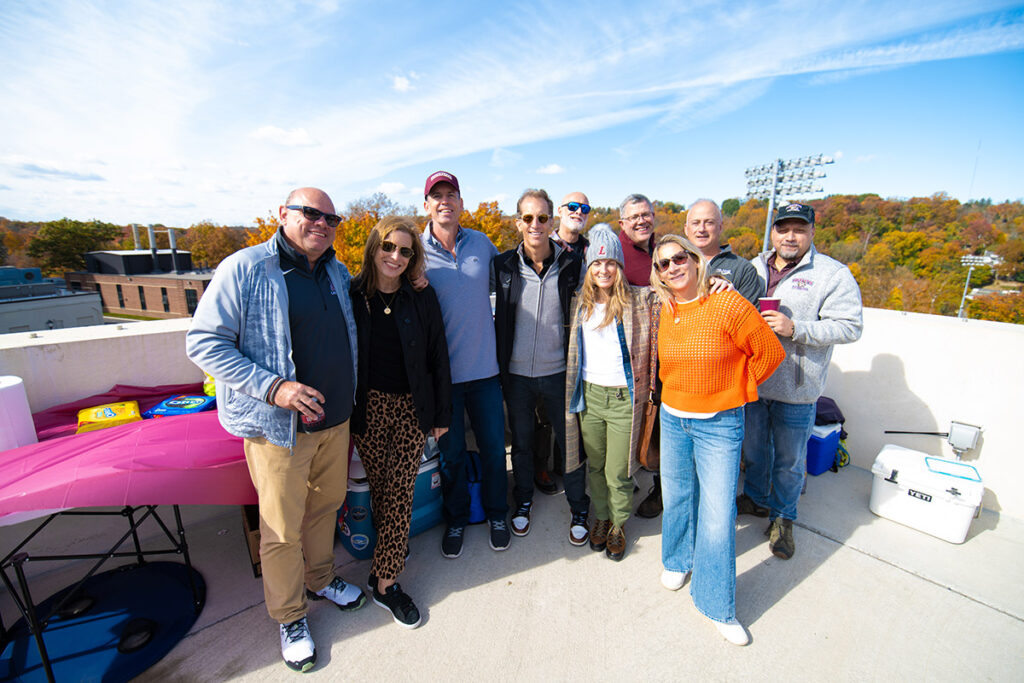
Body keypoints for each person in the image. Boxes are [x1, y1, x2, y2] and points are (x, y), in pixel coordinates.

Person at [186, 188, 364, 673]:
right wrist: (274, 388)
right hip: (277, 430)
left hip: (334, 421)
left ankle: (322, 578)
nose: (322, 223)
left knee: (327, 505)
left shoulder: (334, 270)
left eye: (331, 217)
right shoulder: (245, 268)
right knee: (281, 528)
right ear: (283, 214)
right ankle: (289, 617)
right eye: (310, 213)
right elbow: (203, 343)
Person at [650, 234, 784, 646]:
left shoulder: (726, 301)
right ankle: (677, 558)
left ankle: (714, 602)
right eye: (662, 264)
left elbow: (769, 352)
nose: (672, 267)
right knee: (676, 495)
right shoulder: (667, 307)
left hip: (719, 423)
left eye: (678, 258)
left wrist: (734, 390)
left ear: (695, 260)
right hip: (674, 418)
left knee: (716, 511)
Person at [738, 202, 863, 560]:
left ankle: (783, 518)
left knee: (790, 462)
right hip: (755, 382)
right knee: (755, 452)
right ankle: (758, 500)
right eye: (783, 229)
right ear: (773, 232)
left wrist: (796, 328)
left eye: (799, 229)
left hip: (797, 388)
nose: (790, 236)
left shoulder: (831, 274)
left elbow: (850, 326)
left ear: (811, 232)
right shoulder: (753, 267)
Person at [350, 216, 452, 629]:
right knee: (382, 491)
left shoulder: (421, 297)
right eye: (388, 247)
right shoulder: (353, 294)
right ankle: (386, 560)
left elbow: (438, 357)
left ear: (413, 258)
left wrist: (442, 414)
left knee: (401, 493)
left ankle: (386, 583)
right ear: (374, 248)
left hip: (413, 407)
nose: (395, 256)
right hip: (367, 409)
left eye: (405, 251)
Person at [419, 171, 511, 557]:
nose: (445, 201)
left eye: (451, 194)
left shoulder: (482, 244)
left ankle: (497, 513)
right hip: (444, 381)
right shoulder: (415, 253)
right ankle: (455, 518)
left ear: (461, 202)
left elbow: (509, 283)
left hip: (486, 374)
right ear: (426, 205)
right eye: (436, 196)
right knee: (452, 455)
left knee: (493, 449)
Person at [493, 189, 589, 545]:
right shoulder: (501, 266)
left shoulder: (570, 265)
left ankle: (579, 506)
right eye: (528, 218)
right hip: (516, 375)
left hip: (558, 373)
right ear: (518, 222)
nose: (535, 224)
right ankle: (523, 501)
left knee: (570, 444)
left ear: (552, 221)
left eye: (542, 217)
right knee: (520, 443)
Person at [564, 225, 657, 561]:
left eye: (610, 263)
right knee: (595, 466)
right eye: (597, 264)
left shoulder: (640, 301)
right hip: (589, 397)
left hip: (622, 400)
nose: (603, 270)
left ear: (619, 266)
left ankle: (618, 524)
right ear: (589, 267)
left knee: (618, 471)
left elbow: (677, 290)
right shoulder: (579, 304)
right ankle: (601, 518)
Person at [684, 199, 762, 304]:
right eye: (695, 223)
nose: (701, 229)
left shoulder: (743, 269)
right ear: (686, 229)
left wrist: (734, 296)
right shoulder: (672, 266)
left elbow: (754, 316)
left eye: (709, 223)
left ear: (720, 227)